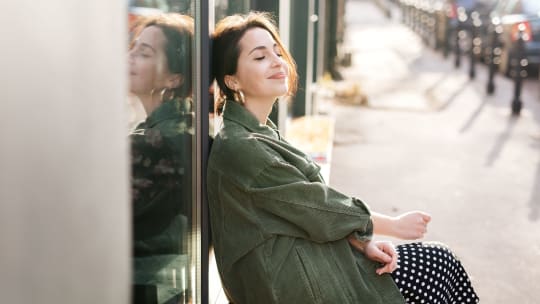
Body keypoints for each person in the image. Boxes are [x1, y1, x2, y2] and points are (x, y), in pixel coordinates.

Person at [207, 12, 479, 304]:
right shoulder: (242, 147)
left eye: (277, 51)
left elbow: (301, 213)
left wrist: (361, 243)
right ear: (232, 80)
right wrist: (393, 225)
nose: (276, 62)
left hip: (303, 259)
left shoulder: (256, 132)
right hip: (289, 283)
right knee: (436, 265)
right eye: (260, 57)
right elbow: (317, 207)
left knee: (437, 264)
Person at [128, 13, 194, 304]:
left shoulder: (155, 144)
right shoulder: (182, 127)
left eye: (143, 53)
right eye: (133, 48)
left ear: (174, 78)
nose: (129, 57)